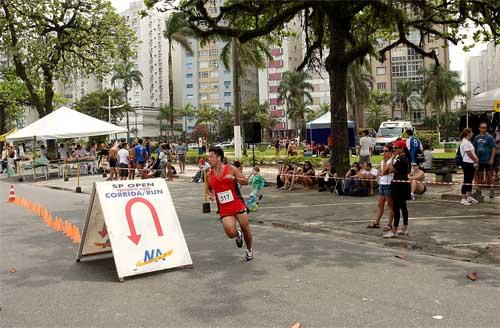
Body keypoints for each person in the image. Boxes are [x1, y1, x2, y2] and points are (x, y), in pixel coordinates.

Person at [206, 147, 254, 261]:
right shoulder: (209, 175)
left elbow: (246, 182)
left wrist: (234, 178)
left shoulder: (231, 169)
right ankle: (238, 234)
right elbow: (208, 189)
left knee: (245, 228)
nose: (209, 159)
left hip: (237, 203)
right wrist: (211, 195)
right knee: (230, 232)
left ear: (219, 157)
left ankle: (249, 250)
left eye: (211, 156)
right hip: (224, 208)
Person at [384, 140, 410, 238]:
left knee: (396, 207)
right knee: (403, 206)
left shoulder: (400, 159)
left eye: (395, 148)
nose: (394, 150)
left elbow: (392, 169)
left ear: (401, 149)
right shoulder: (405, 158)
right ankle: (404, 228)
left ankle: (394, 231)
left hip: (398, 184)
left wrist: (390, 161)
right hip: (403, 183)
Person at [367, 144, 394, 230]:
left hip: (389, 184)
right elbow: (380, 170)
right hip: (382, 184)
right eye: (383, 151)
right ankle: (377, 222)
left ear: (390, 152)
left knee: (390, 204)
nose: (384, 153)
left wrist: (380, 171)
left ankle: (390, 224)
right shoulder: (383, 161)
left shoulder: (391, 161)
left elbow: (385, 171)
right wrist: (379, 171)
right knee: (380, 204)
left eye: (386, 151)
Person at [473, 122, 496, 199]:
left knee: (490, 175)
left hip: (488, 160)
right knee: (479, 176)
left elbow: (493, 148)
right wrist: (475, 158)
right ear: (479, 128)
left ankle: (492, 190)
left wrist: (492, 158)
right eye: (482, 127)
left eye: (485, 128)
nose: (484, 129)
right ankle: (478, 190)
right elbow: (473, 148)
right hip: (479, 161)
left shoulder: (489, 137)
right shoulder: (476, 137)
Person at [459, 128, 479, 206]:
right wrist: (475, 159)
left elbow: (472, 152)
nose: (472, 134)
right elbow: (469, 153)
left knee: (470, 180)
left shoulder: (468, 142)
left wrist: (475, 159)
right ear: (468, 133)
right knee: (466, 180)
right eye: (471, 132)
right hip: (467, 163)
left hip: (470, 163)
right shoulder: (465, 142)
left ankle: (469, 196)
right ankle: (463, 198)